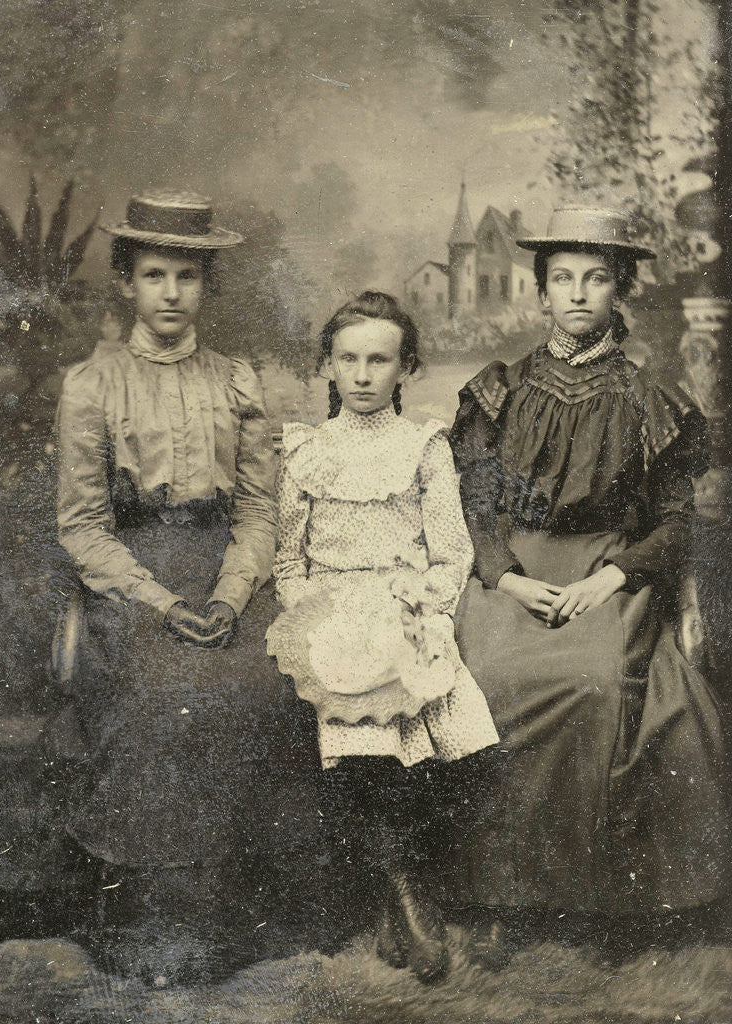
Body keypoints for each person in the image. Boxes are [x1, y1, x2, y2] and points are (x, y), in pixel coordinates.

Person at [447, 206, 728, 967]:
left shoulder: (651, 401)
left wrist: (611, 578)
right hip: (512, 569)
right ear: (541, 293)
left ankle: (595, 897)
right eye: (562, 279)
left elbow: (673, 524)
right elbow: (474, 502)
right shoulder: (500, 390)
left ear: (619, 290)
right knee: (489, 679)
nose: (577, 294)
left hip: (611, 566)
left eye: (595, 279)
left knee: (598, 683)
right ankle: (502, 895)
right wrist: (505, 576)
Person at [55, 190, 299, 985]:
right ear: (125, 281)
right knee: (163, 693)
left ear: (207, 286)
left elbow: (261, 510)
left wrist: (230, 594)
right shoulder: (91, 386)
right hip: (131, 581)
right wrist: (162, 602)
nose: (169, 292)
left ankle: (233, 917)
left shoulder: (237, 380)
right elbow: (85, 528)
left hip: (225, 568)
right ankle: (153, 925)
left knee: (263, 684)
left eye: (186, 276)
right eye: (153, 274)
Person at [266, 291, 499, 984]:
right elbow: (288, 557)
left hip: (405, 604)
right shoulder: (306, 450)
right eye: (348, 359)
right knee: (361, 753)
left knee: (437, 747)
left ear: (406, 368)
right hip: (330, 609)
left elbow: (451, 552)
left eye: (379, 359)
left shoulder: (424, 445)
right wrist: (310, 610)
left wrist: (428, 612)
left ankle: (407, 898)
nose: (363, 374)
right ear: (328, 367)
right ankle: (401, 902)